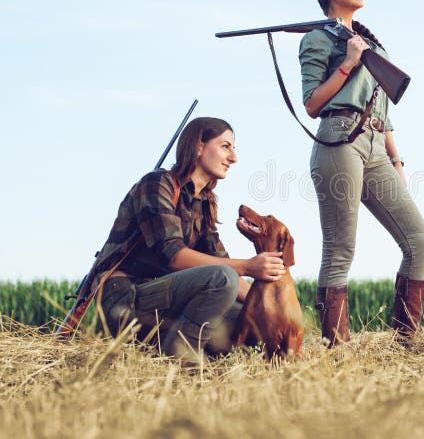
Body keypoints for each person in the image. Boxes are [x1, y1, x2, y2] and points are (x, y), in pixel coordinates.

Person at [299, 0, 424, 346]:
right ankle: (336, 351)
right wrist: (347, 63)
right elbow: (311, 103)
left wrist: (396, 160)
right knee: (340, 250)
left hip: (376, 145)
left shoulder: (372, 43)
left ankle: (404, 344)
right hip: (339, 139)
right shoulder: (317, 40)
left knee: (420, 244)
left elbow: (383, 111)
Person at [94, 117, 286, 363]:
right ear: (198, 146)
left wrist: (268, 308)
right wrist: (250, 266)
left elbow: (224, 266)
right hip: (127, 299)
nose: (233, 158)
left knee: (250, 317)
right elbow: (174, 256)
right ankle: (181, 356)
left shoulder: (205, 202)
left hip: (166, 300)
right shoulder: (156, 184)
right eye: (225, 146)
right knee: (221, 278)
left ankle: (170, 346)